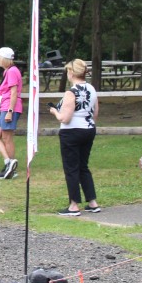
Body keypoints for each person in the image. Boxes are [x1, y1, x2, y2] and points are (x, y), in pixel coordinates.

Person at [48, 59, 101, 216]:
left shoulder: (71, 92)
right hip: (88, 129)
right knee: (83, 166)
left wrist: (54, 111)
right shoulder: (91, 88)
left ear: (71, 72)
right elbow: (95, 112)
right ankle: (92, 202)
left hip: (71, 132)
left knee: (71, 168)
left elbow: (65, 118)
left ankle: (74, 205)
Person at [0, 46, 23, 180]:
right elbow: (6, 89)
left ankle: (10, 167)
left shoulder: (12, 71)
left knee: (7, 138)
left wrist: (10, 112)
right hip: (5, 107)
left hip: (9, 108)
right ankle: (9, 163)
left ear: (4, 58)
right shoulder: (8, 71)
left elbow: (14, 93)